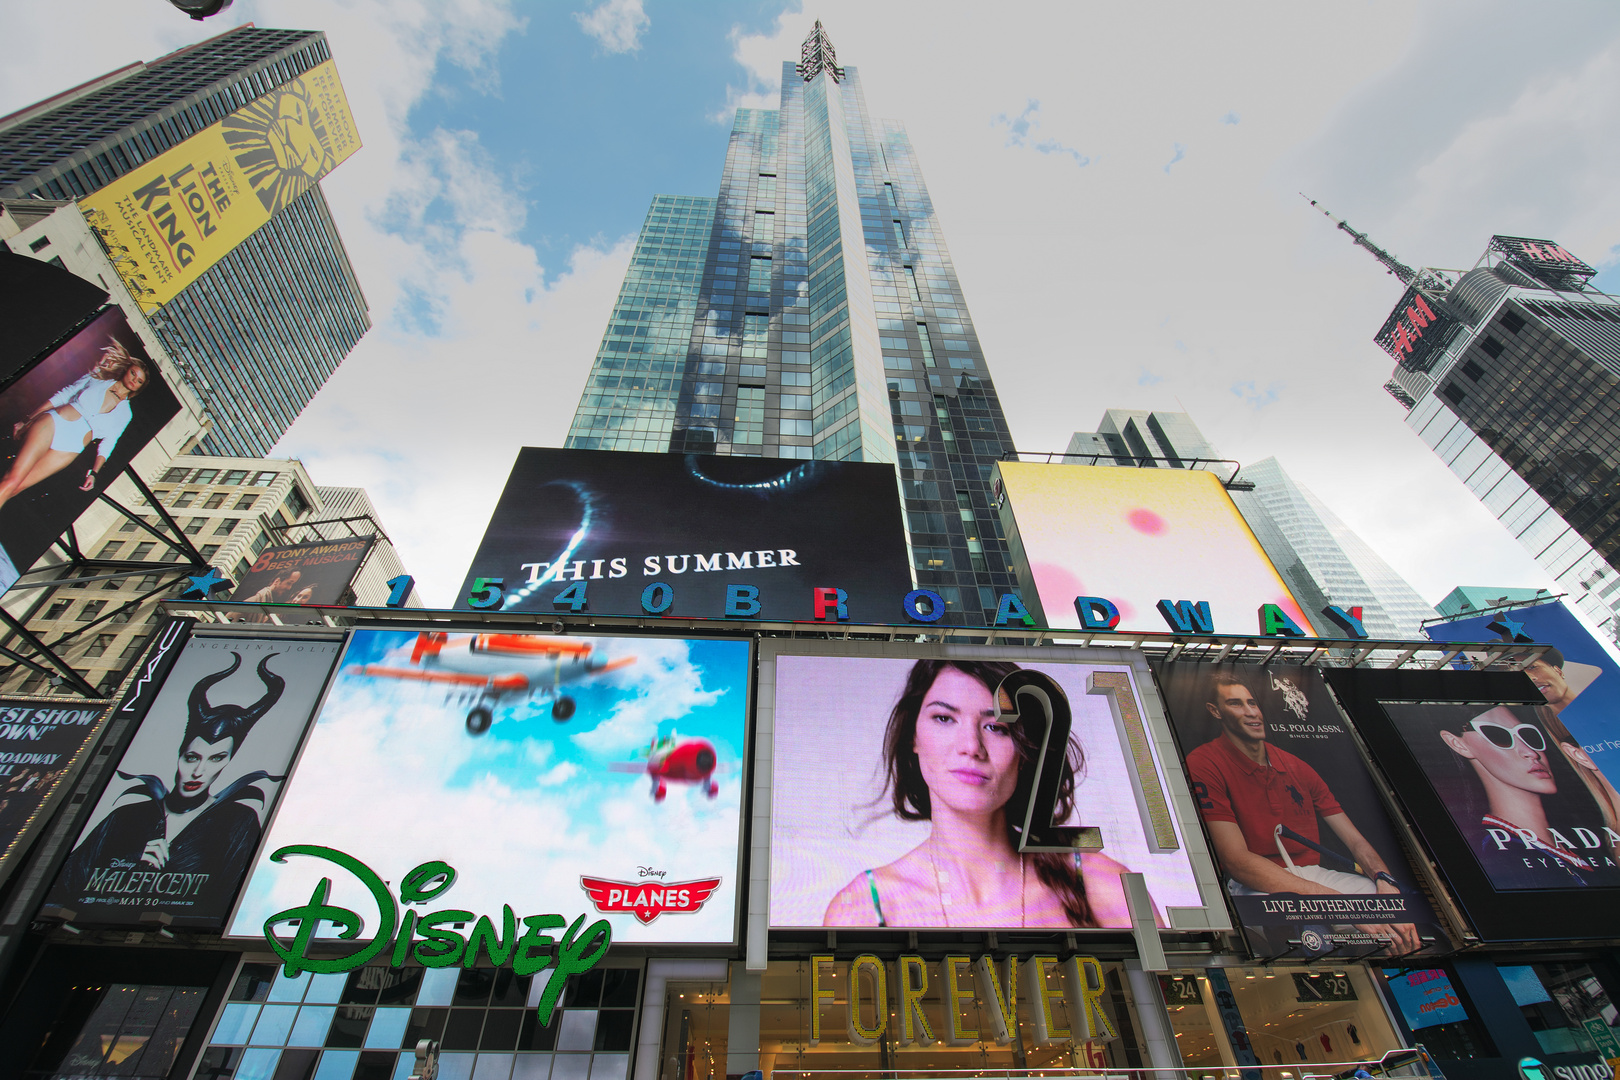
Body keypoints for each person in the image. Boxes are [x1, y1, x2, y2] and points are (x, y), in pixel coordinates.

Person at [823, 659, 1154, 928]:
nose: (971, 747)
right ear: (914, 737)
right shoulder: (866, 909)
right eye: (944, 718)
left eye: (996, 727)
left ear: (1025, 749)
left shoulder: (1103, 884)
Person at [1187, 674, 1421, 953]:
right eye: (1236, 704)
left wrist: (1384, 879)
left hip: (1316, 875)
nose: (1250, 712)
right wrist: (1336, 903)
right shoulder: (1205, 762)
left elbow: (1355, 841)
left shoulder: (1297, 766)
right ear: (1216, 711)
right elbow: (1237, 861)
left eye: (1252, 703)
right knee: (1305, 936)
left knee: (1400, 920)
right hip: (1257, 882)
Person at [55, 653, 285, 910]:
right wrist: (128, 861)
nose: (199, 771)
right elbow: (62, 885)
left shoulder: (237, 821)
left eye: (216, 758)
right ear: (179, 755)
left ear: (228, 761)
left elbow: (234, 896)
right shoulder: (126, 817)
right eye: (191, 757)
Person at [1437, 704, 1618, 886]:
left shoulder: (1592, 841)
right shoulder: (1495, 853)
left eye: (1529, 735)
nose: (1530, 753)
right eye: (1498, 736)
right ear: (1457, 744)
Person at [0, 340, 149, 514]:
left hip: (70, 448)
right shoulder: (100, 377)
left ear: (139, 387)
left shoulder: (126, 414)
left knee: (16, 488)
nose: (134, 380)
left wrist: (94, 472)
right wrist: (28, 419)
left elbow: (109, 442)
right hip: (54, 423)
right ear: (127, 369)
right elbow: (64, 394)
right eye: (133, 373)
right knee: (12, 480)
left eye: (139, 381)